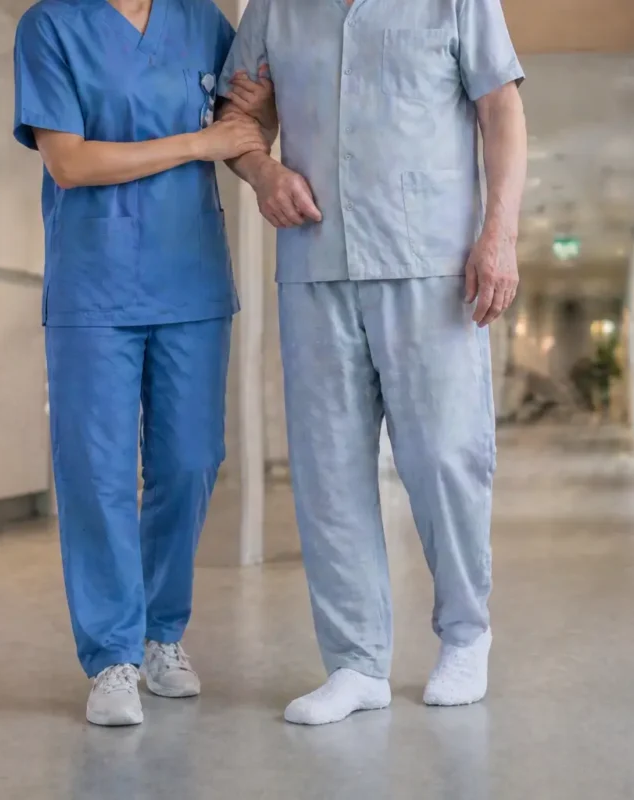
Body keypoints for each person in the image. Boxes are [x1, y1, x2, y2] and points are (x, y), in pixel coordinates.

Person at [216, 0, 528, 725]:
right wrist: (262, 171)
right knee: (327, 471)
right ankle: (355, 663)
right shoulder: (276, 11)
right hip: (315, 265)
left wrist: (501, 234)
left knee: (446, 457)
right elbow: (238, 119)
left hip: (431, 265)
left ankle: (465, 636)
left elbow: (500, 109)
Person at [12, 0, 272, 727]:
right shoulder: (50, 27)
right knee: (95, 472)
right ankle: (113, 656)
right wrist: (197, 144)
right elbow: (69, 161)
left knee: (190, 462)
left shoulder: (204, 22)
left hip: (190, 275)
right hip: (94, 282)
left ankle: (163, 635)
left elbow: (249, 112)